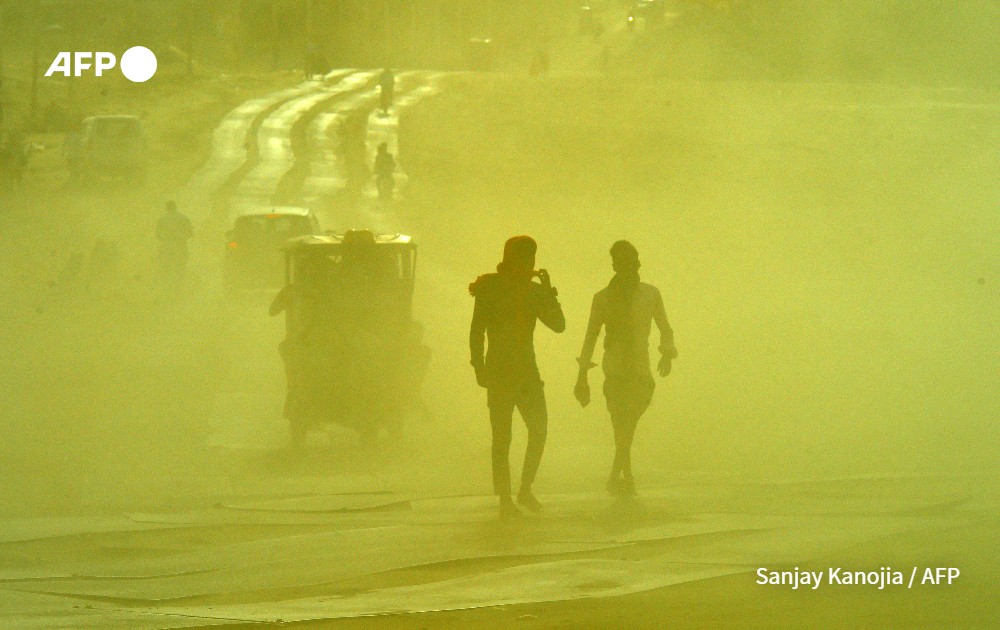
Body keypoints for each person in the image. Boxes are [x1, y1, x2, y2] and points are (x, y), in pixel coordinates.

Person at [470, 236, 565, 517]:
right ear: (512, 259)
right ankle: (505, 500)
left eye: (531, 259)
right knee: (502, 438)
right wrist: (478, 366)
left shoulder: (533, 291)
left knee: (539, 429)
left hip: (525, 372)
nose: (529, 264)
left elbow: (559, 325)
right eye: (525, 259)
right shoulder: (490, 287)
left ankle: (523, 489)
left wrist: (548, 292)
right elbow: (477, 330)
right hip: (500, 372)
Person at [575, 241, 677, 496]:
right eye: (620, 262)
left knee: (626, 423)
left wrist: (666, 354)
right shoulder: (602, 299)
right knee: (622, 424)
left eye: (630, 260)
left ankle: (618, 476)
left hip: (641, 372)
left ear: (636, 262)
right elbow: (591, 336)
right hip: (616, 370)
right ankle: (624, 477)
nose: (627, 266)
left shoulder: (650, 294)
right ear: (615, 266)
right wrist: (581, 376)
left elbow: (665, 328)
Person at [155, 201, 194, 283]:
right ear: (175, 207)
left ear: (166, 207)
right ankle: (179, 286)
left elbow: (157, 235)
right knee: (180, 269)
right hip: (181, 246)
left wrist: (165, 239)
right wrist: (181, 236)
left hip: (167, 247)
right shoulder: (183, 218)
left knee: (167, 270)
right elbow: (190, 233)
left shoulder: (162, 219)